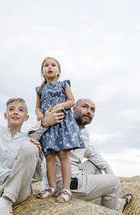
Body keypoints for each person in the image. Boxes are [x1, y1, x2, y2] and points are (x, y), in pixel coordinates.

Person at [0, 74, 63, 215]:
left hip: (18, 190)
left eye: (21, 110)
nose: (15, 112)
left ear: (26, 117)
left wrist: (37, 153)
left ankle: (6, 201)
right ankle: (1, 201)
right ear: (5, 115)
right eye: (12, 109)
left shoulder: (29, 138)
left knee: (30, 146)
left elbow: (38, 173)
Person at [36, 98, 133, 213]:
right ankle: (115, 209)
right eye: (85, 107)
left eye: (92, 110)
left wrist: (109, 171)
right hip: (63, 183)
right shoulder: (60, 123)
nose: (89, 111)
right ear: (73, 109)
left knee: (95, 166)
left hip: (76, 175)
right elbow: (37, 135)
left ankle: (112, 202)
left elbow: (92, 153)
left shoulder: (84, 132)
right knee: (114, 183)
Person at [34, 57, 85, 203]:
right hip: (49, 125)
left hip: (62, 123)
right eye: (46, 65)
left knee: (63, 154)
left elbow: (71, 101)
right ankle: (51, 187)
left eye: (53, 65)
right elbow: (37, 106)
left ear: (59, 71)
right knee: (49, 156)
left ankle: (66, 188)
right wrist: (39, 114)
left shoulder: (64, 84)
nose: (49, 67)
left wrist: (58, 106)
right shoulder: (39, 89)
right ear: (42, 71)